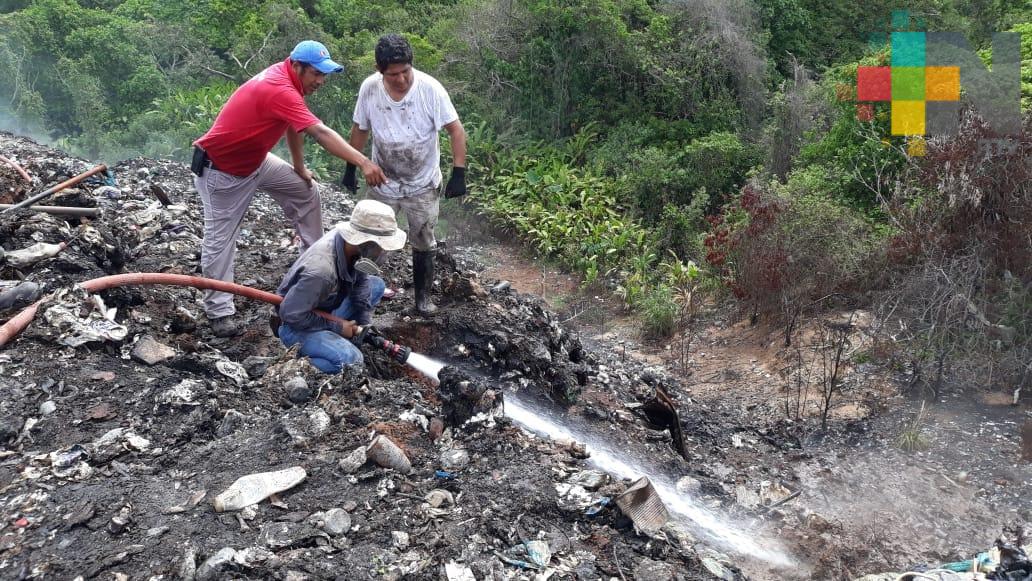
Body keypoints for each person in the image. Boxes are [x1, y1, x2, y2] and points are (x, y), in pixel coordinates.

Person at [192, 40, 388, 337]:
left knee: (306, 192)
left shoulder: (289, 82)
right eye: (316, 74)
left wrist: (298, 167)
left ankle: (319, 268)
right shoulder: (278, 87)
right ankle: (219, 312)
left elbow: (292, 124)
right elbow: (319, 131)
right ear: (297, 66)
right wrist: (364, 162)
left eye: (324, 75)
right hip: (223, 171)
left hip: (256, 161)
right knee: (221, 241)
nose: (321, 81)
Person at [342, 34, 467, 315]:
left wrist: (459, 171)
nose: (401, 80)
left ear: (412, 65)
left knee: (423, 239)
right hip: (382, 179)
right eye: (393, 75)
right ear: (379, 70)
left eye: (405, 72)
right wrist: (352, 165)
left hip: (421, 182)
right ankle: (360, 294)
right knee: (371, 238)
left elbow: (455, 130)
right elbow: (360, 128)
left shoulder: (430, 89)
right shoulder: (370, 89)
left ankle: (422, 299)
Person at [275, 199, 406, 373]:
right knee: (352, 361)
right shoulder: (321, 273)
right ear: (367, 243)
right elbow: (291, 314)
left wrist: (364, 324)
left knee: (376, 286)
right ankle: (297, 367)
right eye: (382, 247)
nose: (384, 253)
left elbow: (362, 280)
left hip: (323, 308)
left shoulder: (352, 247)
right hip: (296, 324)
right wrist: (338, 327)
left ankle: (334, 340)